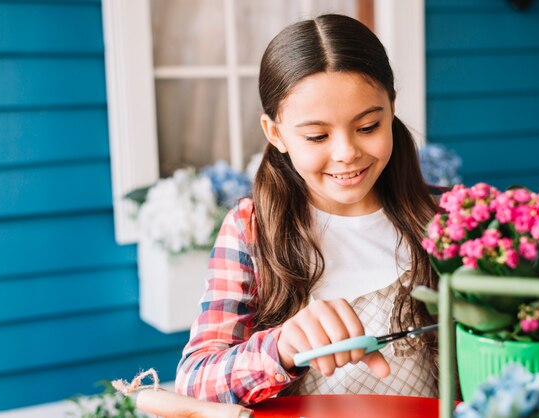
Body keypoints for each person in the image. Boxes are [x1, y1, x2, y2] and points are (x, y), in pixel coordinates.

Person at [175, 13, 441, 405]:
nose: (347, 153)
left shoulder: (446, 216)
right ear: (276, 133)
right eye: (318, 135)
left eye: (368, 126)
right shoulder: (252, 230)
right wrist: (281, 346)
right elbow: (195, 379)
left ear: (392, 108)